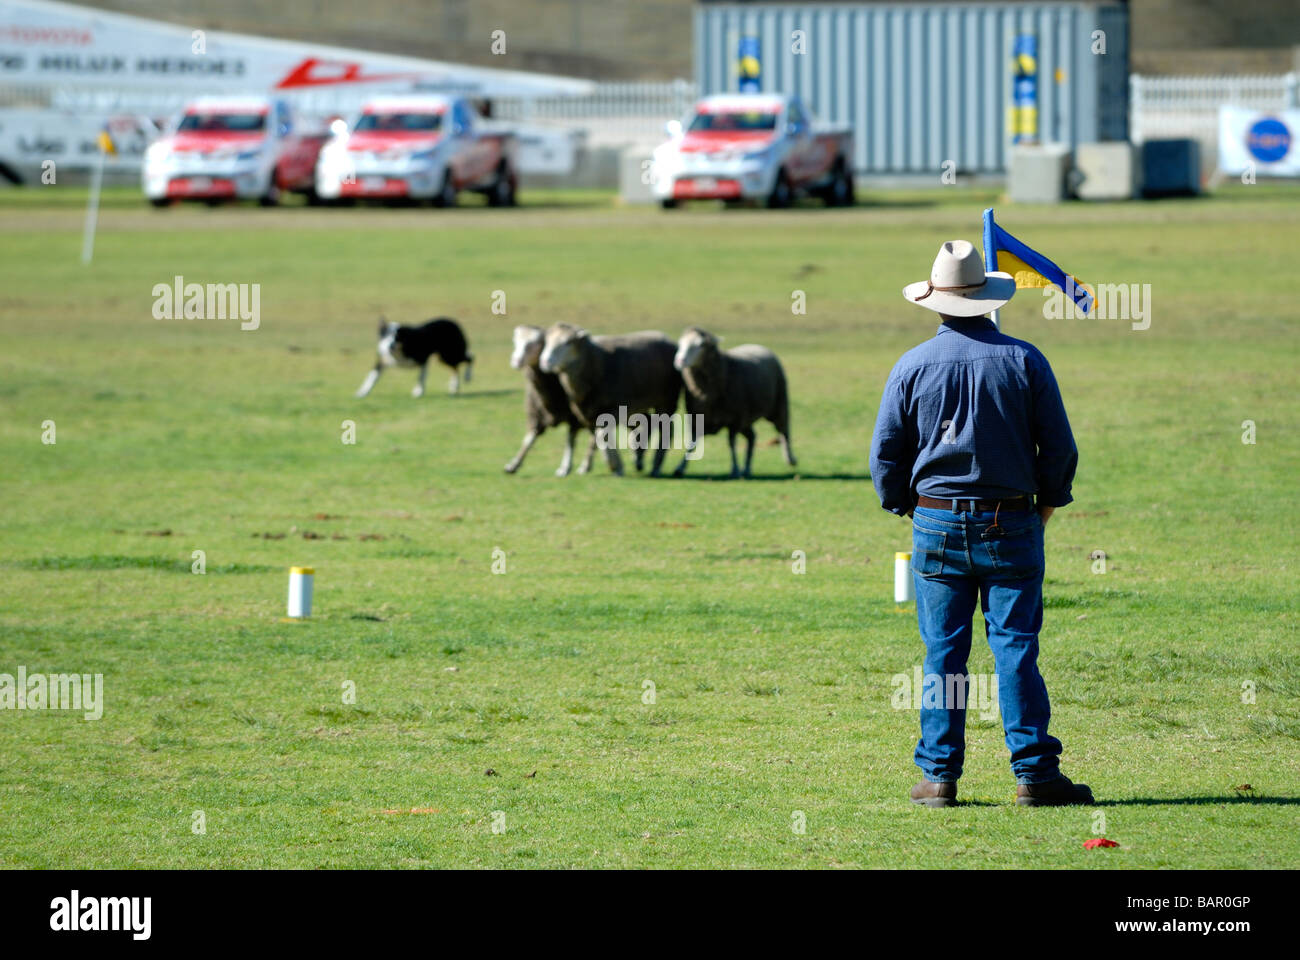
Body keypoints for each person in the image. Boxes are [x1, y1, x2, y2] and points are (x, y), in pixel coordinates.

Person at [869, 239, 1094, 808]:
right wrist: (1046, 506)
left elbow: (885, 457)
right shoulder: (1026, 360)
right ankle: (1036, 776)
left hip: (936, 524)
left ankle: (939, 777)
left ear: (935, 302)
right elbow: (1060, 450)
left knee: (943, 653)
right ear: (989, 300)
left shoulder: (910, 364)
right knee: (1016, 647)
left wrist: (907, 507)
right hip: (1012, 521)